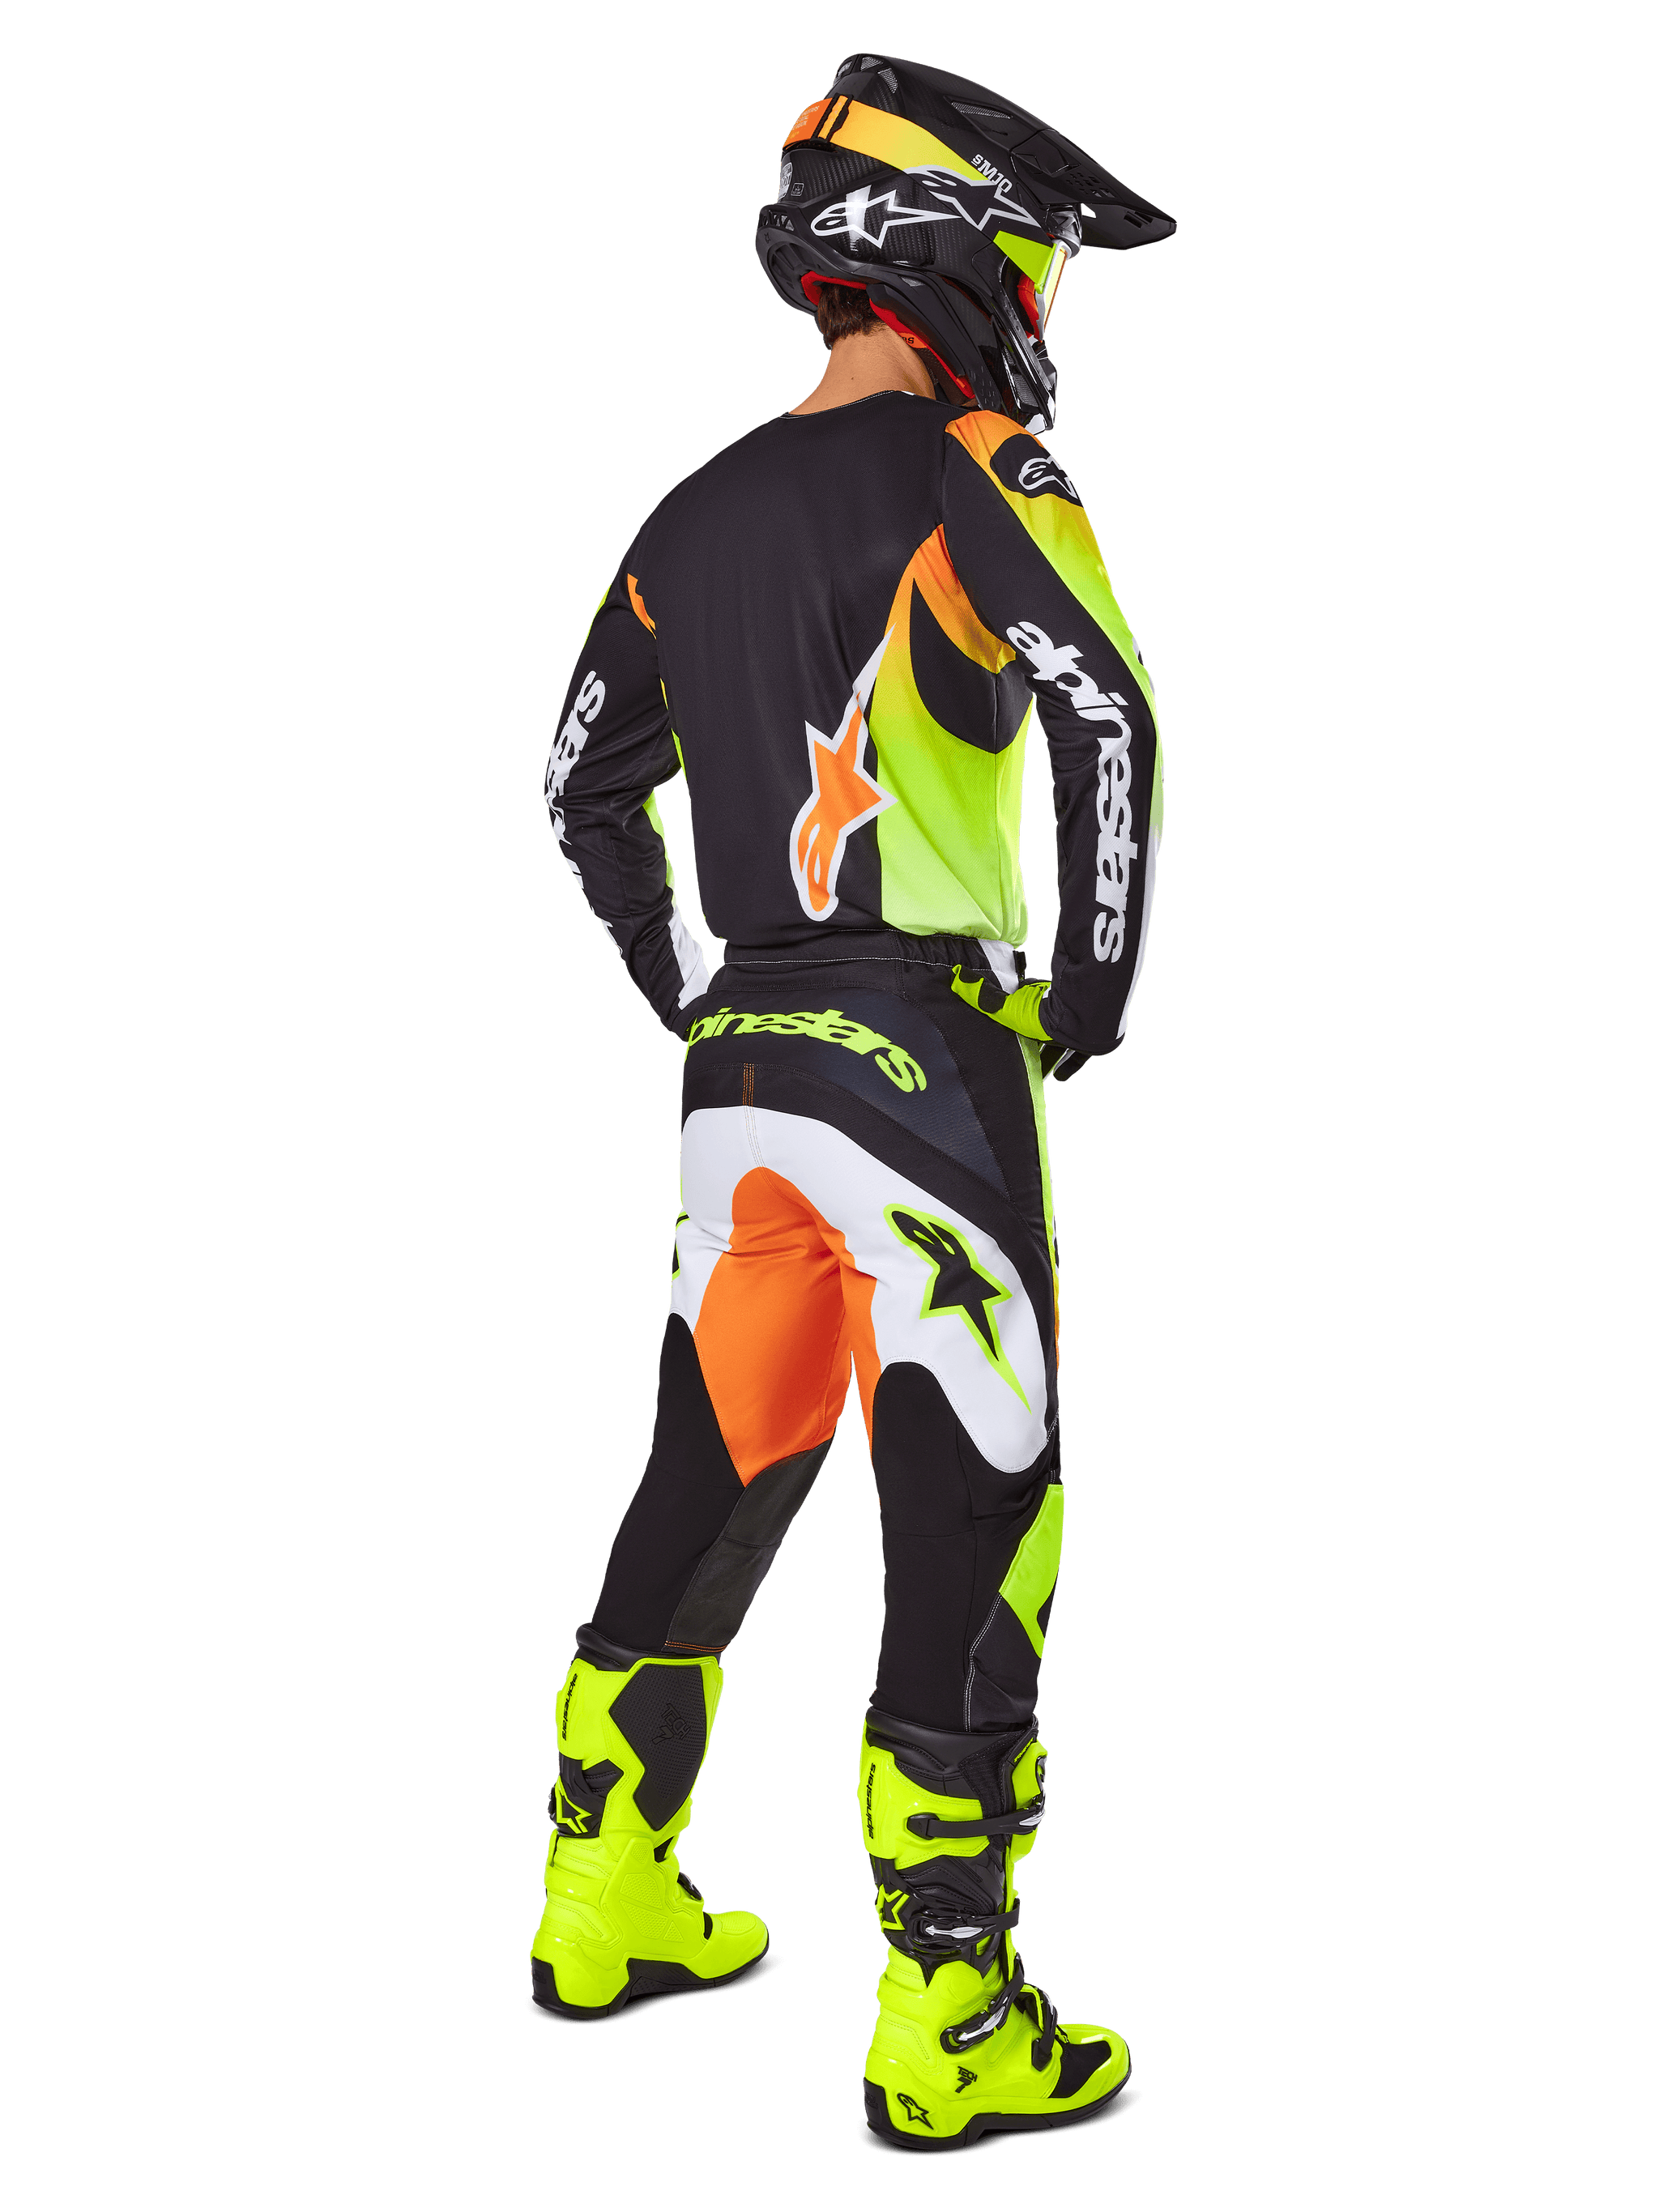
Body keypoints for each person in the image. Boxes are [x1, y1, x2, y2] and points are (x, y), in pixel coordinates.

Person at [528, 52, 1177, 2154]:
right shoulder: (984, 470)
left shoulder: (688, 509)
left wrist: (696, 1002)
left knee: (709, 1478)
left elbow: (576, 791)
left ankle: (602, 1905)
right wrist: (1091, 992)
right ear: (957, 254)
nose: (1043, 309)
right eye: (1036, 266)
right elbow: (1109, 713)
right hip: (932, 1068)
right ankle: (949, 2025)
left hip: (742, 1094)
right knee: (978, 1515)